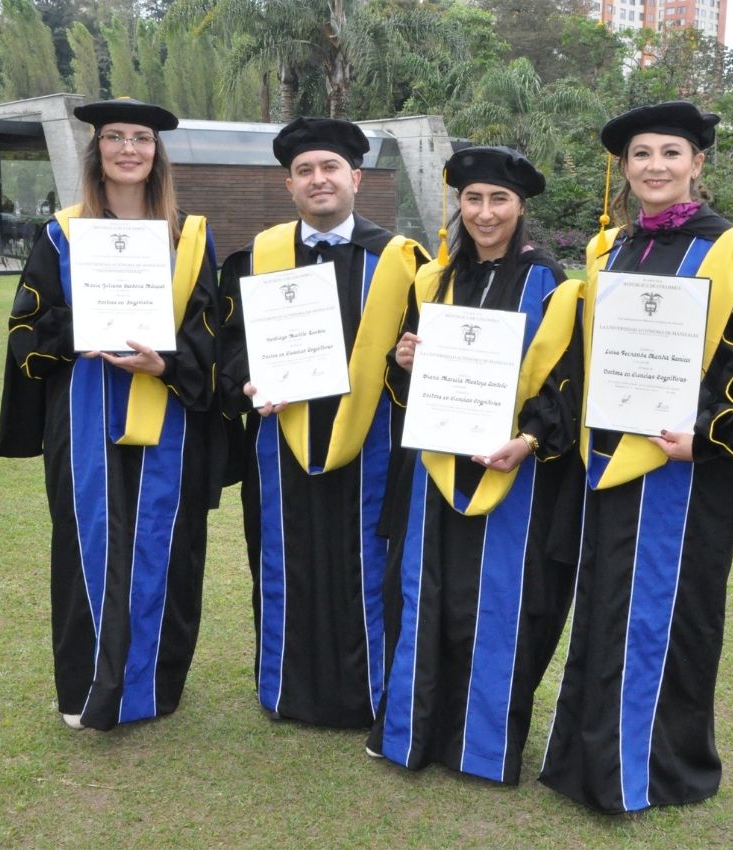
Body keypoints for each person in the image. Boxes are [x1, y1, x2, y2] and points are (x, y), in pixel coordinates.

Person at [538, 101, 733, 813]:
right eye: (641, 154)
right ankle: (586, 757)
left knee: (671, 617)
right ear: (624, 168)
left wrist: (708, 434)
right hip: (609, 461)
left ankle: (658, 767)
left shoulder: (731, 248)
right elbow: (582, 356)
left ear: (697, 165)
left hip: (686, 473)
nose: (654, 166)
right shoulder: (611, 249)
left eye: (670, 154)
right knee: (603, 606)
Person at [0, 97, 224, 732]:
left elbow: (212, 335)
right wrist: (78, 332)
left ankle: (152, 685)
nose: (129, 149)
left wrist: (165, 364)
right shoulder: (62, 233)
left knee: (166, 543)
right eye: (116, 138)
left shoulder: (190, 236)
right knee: (87, 541)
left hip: (167, 412)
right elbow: (26, 329)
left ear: (157, 154)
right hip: (85, 408)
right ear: (98, 152)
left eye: (142, 139)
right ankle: (89, 684)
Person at [366, 146, 583, 785]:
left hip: (509, 470)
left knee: (495, 602)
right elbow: (399, 383)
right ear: (458, 206)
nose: (485, 213)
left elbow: (564, 384)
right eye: (473, 199)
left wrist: (529, 439)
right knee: (422, 594)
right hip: (434, 466)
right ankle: (408, 731)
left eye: (499, 200)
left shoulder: (549, 281)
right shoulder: (433, 279)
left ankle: (482, 746)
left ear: (521, 208)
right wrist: (403, 361)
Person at [219, 117, 429, 728]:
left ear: (356, 179)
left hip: (372, 443)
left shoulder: (401, 261)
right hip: (279, 441)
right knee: (287, 560)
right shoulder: (258, 257)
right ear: (289, 185)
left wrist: (410, 360)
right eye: (305, 171)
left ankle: (368, 692)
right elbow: (229, 347)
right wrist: (247, 381)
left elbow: (423, 356)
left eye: (330, 168)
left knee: (365, 562)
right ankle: (287, 686)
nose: (319, 180)